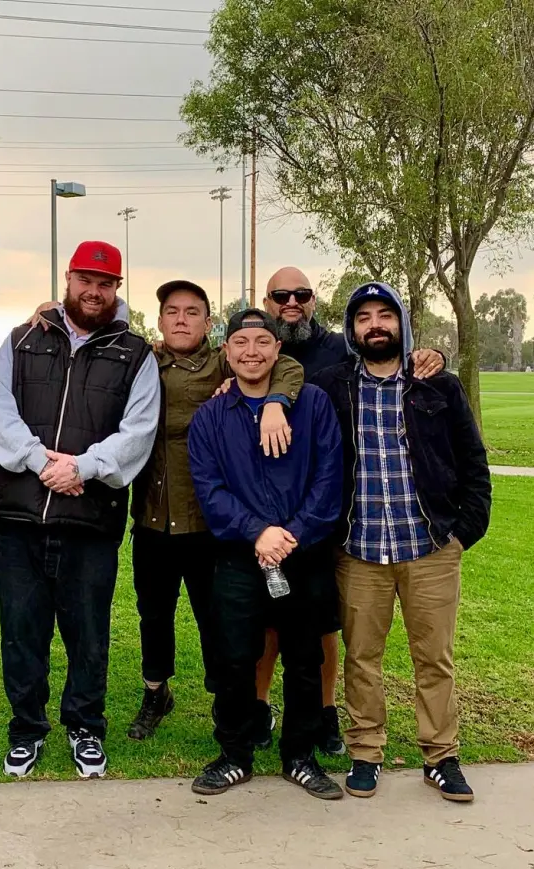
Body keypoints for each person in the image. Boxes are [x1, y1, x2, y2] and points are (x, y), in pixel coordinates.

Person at [0, 241, 160, 779]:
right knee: (22, 631)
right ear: (68, 278)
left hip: (91, 520)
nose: (93, 290)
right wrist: (44, 463)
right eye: (86, 279)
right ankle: (27, 729)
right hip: (22, 515)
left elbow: (138, 432)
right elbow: (0, 412)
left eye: (105, 283)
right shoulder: (22, 340)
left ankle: (85, 726)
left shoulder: (136, 354)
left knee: (88, 634)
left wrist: (80, 468)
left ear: (116, 289)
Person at [256, 266, 446, 757]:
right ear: (268, 299)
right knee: (265, 626)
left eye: (301, 294)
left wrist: (435, 354)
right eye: (281, 295)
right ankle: (257, 713)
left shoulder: (338, 351)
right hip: (264, 510)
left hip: (324, 517)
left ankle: (326, 716)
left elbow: (395, 361)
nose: (291, 302)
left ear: (315, 301)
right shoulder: (250, 339)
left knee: (325, 626)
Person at [312, 282, 491, 802]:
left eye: (384, 315)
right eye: (363, 317)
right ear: (352, 329)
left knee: (434, 659)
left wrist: (462, 534)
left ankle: (441, 755)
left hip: (429, 546)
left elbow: (474, 464)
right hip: (359, 550)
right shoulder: (332, 386)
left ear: (402, 324)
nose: (374, 325)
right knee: (361, 657)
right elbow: (281, 384)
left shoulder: (438, 386)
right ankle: (366, 752)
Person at [126, 281, 304, 741]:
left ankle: (227, 699)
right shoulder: (141, 361)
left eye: (192, 312)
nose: (181, 320)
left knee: (217, 617)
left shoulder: (224, 361)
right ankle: (155, 691)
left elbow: (282, 363)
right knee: (154, 613)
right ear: (160, 320)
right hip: (150, 515)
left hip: (209, 520)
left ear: (208, 323)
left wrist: (274, 403)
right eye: (172, 312)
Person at [187, 308, 345, 800]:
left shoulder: (313, 405)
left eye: (262, 342)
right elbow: (210, 490)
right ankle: (234, 754)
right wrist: (258, 533)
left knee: (304, 658)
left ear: (279, 351)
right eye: (241, 343)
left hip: (303, 553)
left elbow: (329, 477)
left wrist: (291, 534)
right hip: (240, 556)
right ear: (226, 351)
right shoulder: (211, 416)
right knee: (235, 658)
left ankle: (299, 755)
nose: (251, 351)